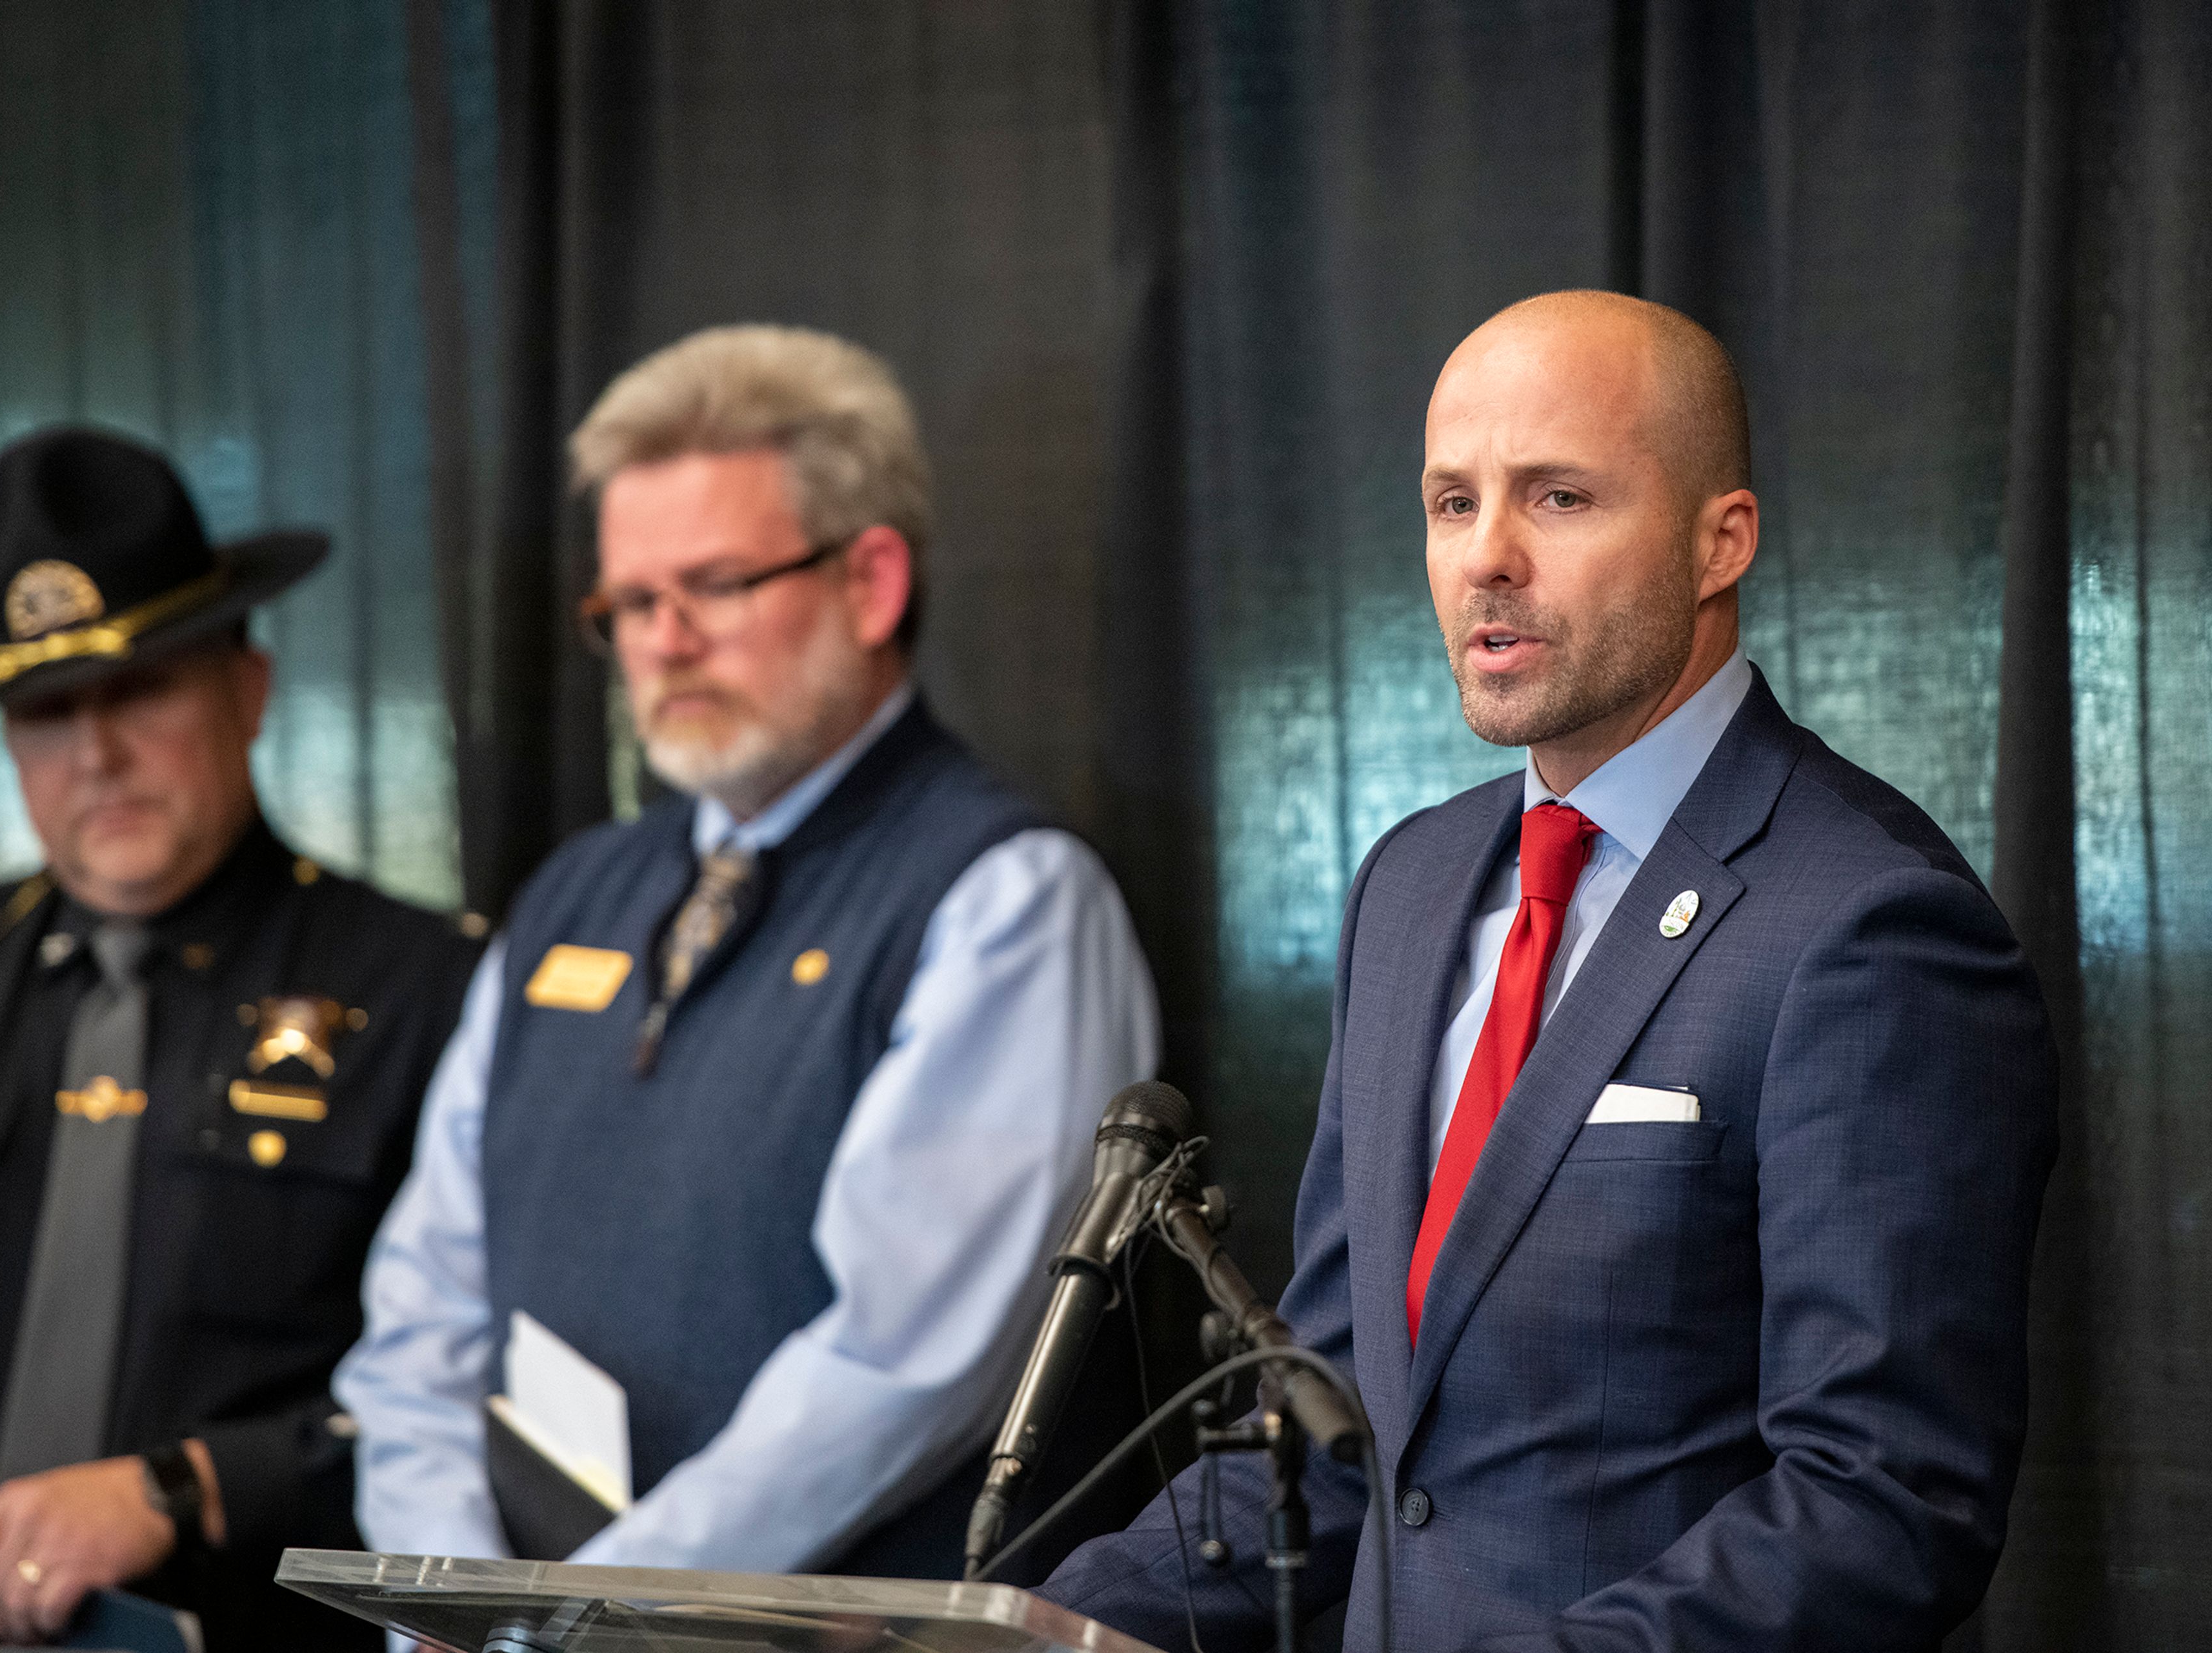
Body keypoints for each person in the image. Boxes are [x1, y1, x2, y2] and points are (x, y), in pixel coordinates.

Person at [1040, 292, 2058, 1650]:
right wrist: (1023, 1626)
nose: (1488, 560)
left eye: (1560, 498)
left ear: (1722, 541)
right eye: (1452, 503)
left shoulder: (1868, 925)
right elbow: (1340, 1424)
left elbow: (1882, 1503)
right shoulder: (1406, 890)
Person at [336, 324, 1160, 1577]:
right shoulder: (571, 895)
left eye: (715, 586)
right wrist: (444, 1591)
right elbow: (422, 1317)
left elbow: (900, 1364)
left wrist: (585, 1617)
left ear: (871, 583)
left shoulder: (1005, 897)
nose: (662, 644)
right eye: (628, 604)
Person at [0, 429, 481, 1653]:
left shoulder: (429, 991)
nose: (97, 753)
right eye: (43, 710)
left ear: (248, 690)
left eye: (141, 688)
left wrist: (186, 1487)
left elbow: (485, 1387)